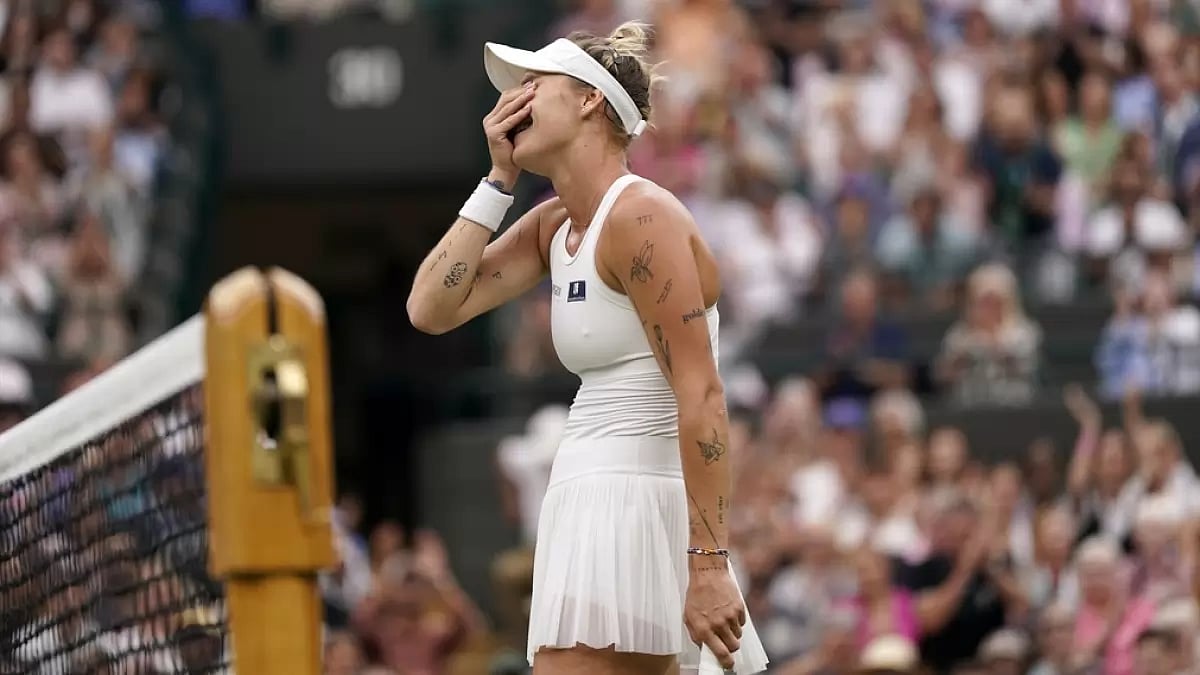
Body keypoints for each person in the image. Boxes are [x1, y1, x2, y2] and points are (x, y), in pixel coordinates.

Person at [405, 21, 768, 675]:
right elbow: (429, 307)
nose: (514, 102)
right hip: (584, 498)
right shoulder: (550, 225)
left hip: (638, 501)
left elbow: (703, 393)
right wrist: (496, 179)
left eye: (533, 84)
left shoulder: (641, 218)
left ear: (589, 101)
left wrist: (709, 563)